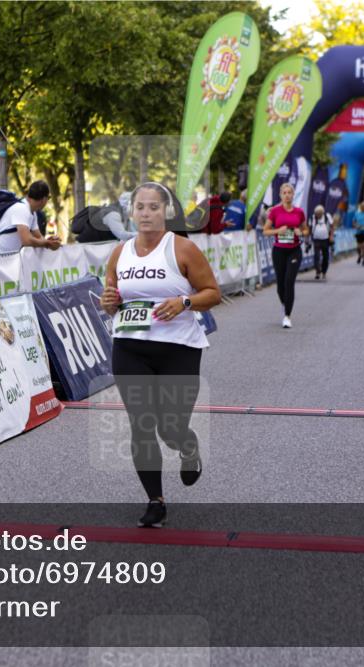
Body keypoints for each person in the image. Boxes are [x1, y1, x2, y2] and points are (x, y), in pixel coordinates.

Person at [99, 182, 221, 528]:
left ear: (165, 212)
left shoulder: (182, 249)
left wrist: (184, 301)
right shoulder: (120, 253)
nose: (147, 213)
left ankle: (187, 445)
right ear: (132, 212)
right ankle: (155, 500)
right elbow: (112, 299)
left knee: (170, 426)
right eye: (141, 207)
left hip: (178, 349)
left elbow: (212, 293)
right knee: (141, 424)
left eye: (154, 207)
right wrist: (110, 304)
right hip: (129, 348)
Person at [263, 183, 309, 328]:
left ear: (293, 194)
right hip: (279, 251)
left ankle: (287, 315)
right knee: (280, 285)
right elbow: (265, 231)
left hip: (294, 250)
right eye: (284, 192)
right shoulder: (275, 211)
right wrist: (278, 231)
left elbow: (306, 230)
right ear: (281, 195)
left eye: (290, 192)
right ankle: (285, 303)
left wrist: (300, 232)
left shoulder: (299, 212)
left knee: (289, 281)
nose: (287, 195)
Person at [0, 180, 61, 255]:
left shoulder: (32, 213)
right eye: (48, 198)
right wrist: (47, 243)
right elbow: (26, 240)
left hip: (2, 258)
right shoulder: (21, 209)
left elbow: (38, 237)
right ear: (44, 199)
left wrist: (50, 241)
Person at [308, 205, 334, 280]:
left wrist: (331, 236)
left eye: (319, 214)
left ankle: (324, 272)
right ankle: (317, 271)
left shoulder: (327, 216)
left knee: (326, 257)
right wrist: (308, 239)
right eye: (317, 214)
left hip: (325, 239)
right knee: (316, 256)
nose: (318, 215)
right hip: (316, 240)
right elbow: (309, 229)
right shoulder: (312, 218)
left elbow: (332, 226)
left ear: (322, 213)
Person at [352, 202, 364, 266]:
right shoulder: (357, 213)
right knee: (358, 247)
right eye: (362, 206)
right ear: (360, 207)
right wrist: (356, 225)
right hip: (359, 232)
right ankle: (360, 255)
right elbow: (353, 222)